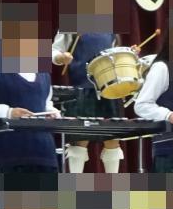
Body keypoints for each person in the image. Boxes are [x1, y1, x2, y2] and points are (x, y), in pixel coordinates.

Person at [0, 13, 60, 173]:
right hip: (7, 158)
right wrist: (8, 112)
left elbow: (46, 104)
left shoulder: (43, 74)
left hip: (45, 156)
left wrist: (52, 113)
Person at [51, 31, 126, 173]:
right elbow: (54, 50)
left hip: (109, 88)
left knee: (112, 138)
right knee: (79, 140)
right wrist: (60, 57)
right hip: (82, 88)